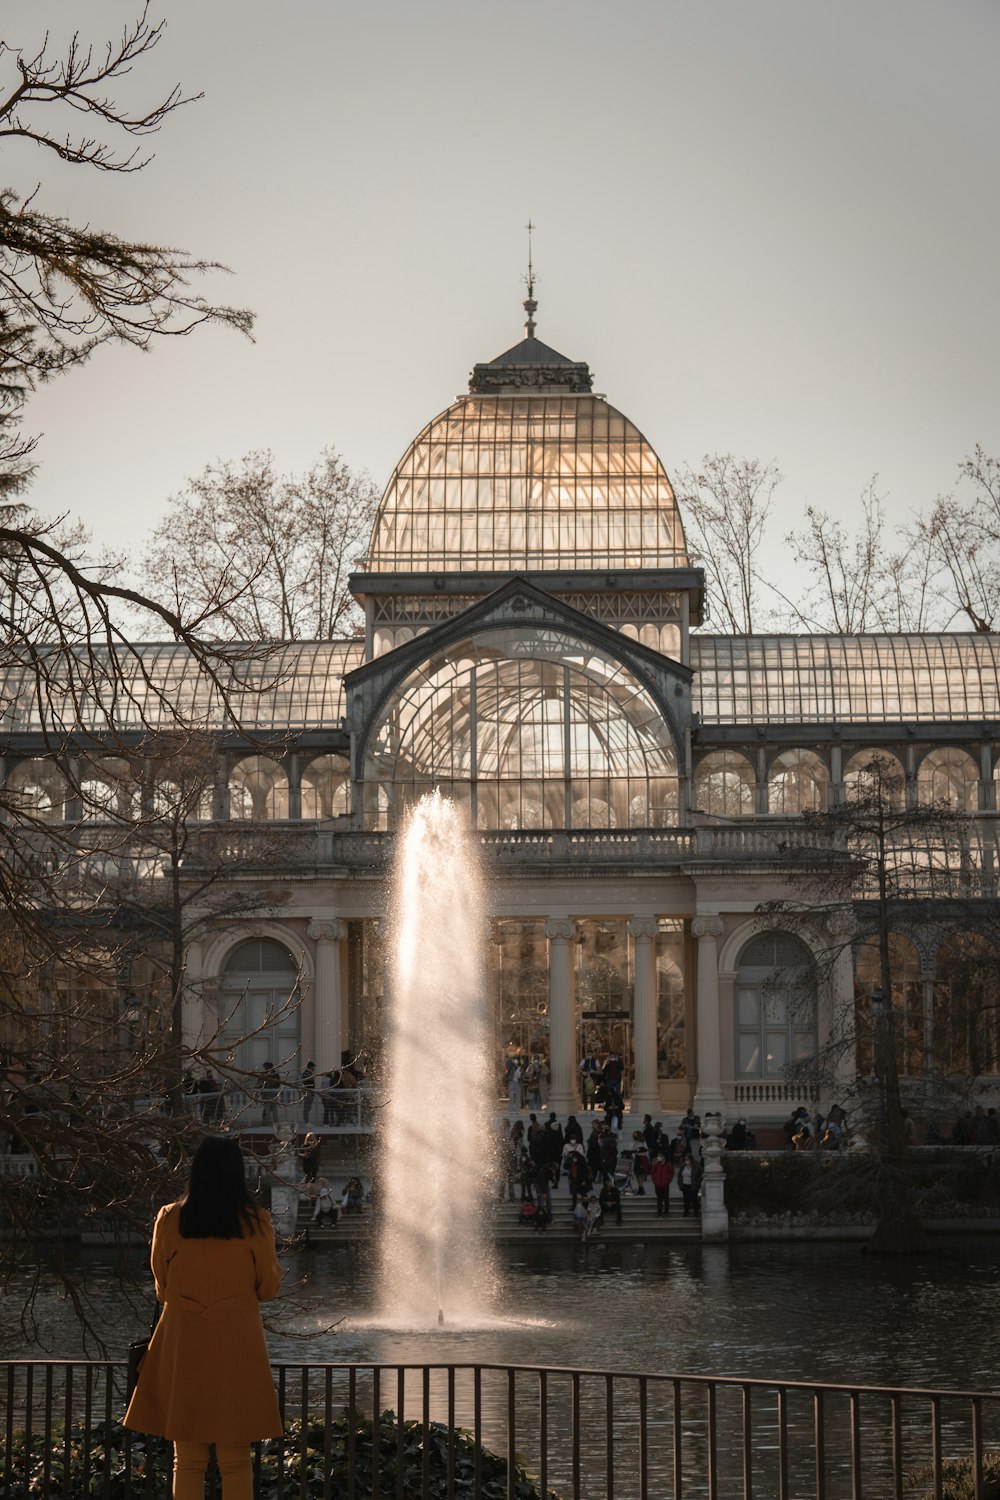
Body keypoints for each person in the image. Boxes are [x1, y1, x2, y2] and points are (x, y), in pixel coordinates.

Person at [124, 1135, 282, 1500]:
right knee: (236, 1458)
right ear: (237, 1175)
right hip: (237, 1343)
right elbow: (268, 1288)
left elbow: (161, 1286)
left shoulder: (169, 1217)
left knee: (188, 1459)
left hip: (184, 1342)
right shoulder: (256, 1221)